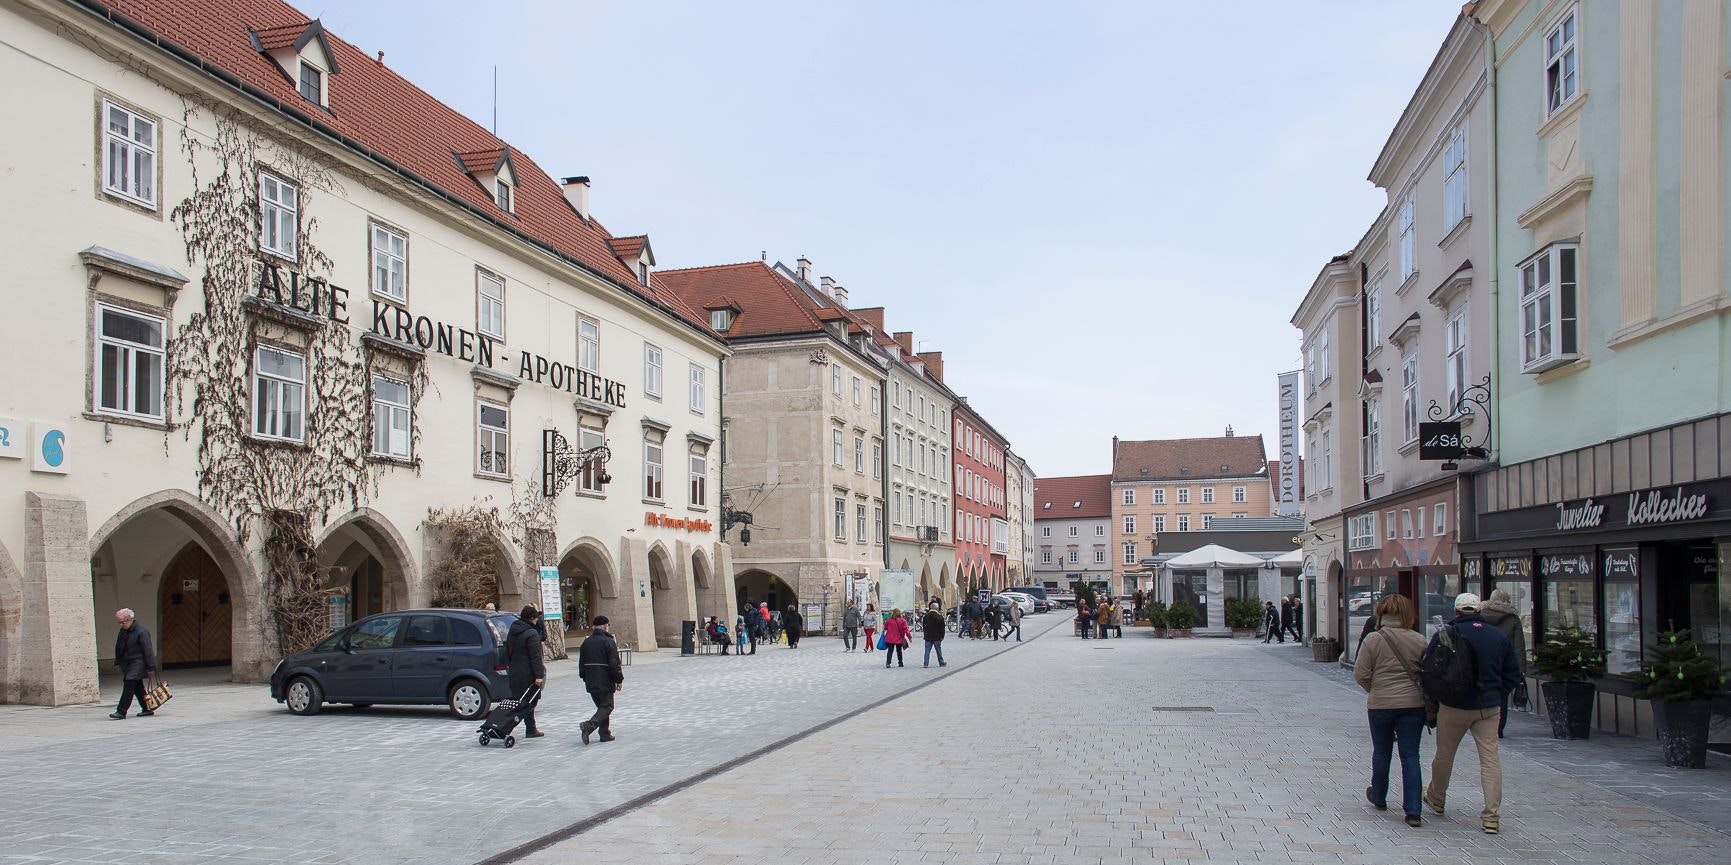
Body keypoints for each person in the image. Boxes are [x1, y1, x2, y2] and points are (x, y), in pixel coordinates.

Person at [1422, 593, 1522, 835]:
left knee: (1444, 755)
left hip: (1454, 706)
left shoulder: (1447, 634)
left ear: (1457, 612)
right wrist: (1497, 695)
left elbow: (1431, 670)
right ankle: (1491, 816)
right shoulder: (1498, 636)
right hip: (1488, 707)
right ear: (1480, 611)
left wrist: (1436, 701)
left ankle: (1436, 798)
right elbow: (1512, 673)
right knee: (1490, 760)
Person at [1353, 595, 1428, 827]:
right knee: (1410, 755)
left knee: (1382, 751)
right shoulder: (1419, 640)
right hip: (1413, 705)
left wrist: (1376, 690)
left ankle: (1379, 795)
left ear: (1381, 613)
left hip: (1381, 704)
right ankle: (1413, 810)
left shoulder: (1373, 639)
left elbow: (1360, 673)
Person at [1480, 589, 1528, 738]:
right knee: (1502, 698)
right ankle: (1498, 728)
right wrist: (1521, 670)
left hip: (1483, 663)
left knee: (1483, 693)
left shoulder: (1481, 615)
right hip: (1504, 666)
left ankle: (1483, 725)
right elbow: (1519, 646)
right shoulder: (1513, 619)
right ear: (1507, 601)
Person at [578, 615, 624, 745]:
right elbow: (614, 663)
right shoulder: (608, 641)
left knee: (601, 707)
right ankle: (589, 726)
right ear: (605, 626)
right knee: (607, 706)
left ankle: (604, 733)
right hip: (604, 679)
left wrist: (584, 676)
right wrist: (618, 679)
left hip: (590, 679)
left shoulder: (586, 642)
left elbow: (581, 663)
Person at [505, 606, 546, 739]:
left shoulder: (513, 629)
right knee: (527, 704)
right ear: (533, 618)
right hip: (527, 673)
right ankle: (504, 726)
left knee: (525, 701)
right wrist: (539, 676)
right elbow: (535, 657)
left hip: (514, 670)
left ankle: (531, 729)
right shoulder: (531, 633)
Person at [110, 608, 157, 720]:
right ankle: (147, 708)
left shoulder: (142, 632)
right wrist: (118, 660)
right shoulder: (123, 631)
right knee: (137, 687)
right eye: (120, 623)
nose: (122, 625)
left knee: (129, 684)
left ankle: (121, 711)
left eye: (123, 622)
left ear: (130, 619)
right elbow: (119, 646)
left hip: (138, 663)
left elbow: (148, 650)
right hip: (127, 663)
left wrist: (151, 667)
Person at [921, 602, 947, 667]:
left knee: (927, 651)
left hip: (928, 636)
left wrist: (925, 634)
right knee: (938, 650)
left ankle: (926, 663)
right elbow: (942, 628)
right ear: (937, 608)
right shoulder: (939, 617)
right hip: (937, 637)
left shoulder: (926, 617)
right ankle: (941, 662)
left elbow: (924, 627)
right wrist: (942, 636)